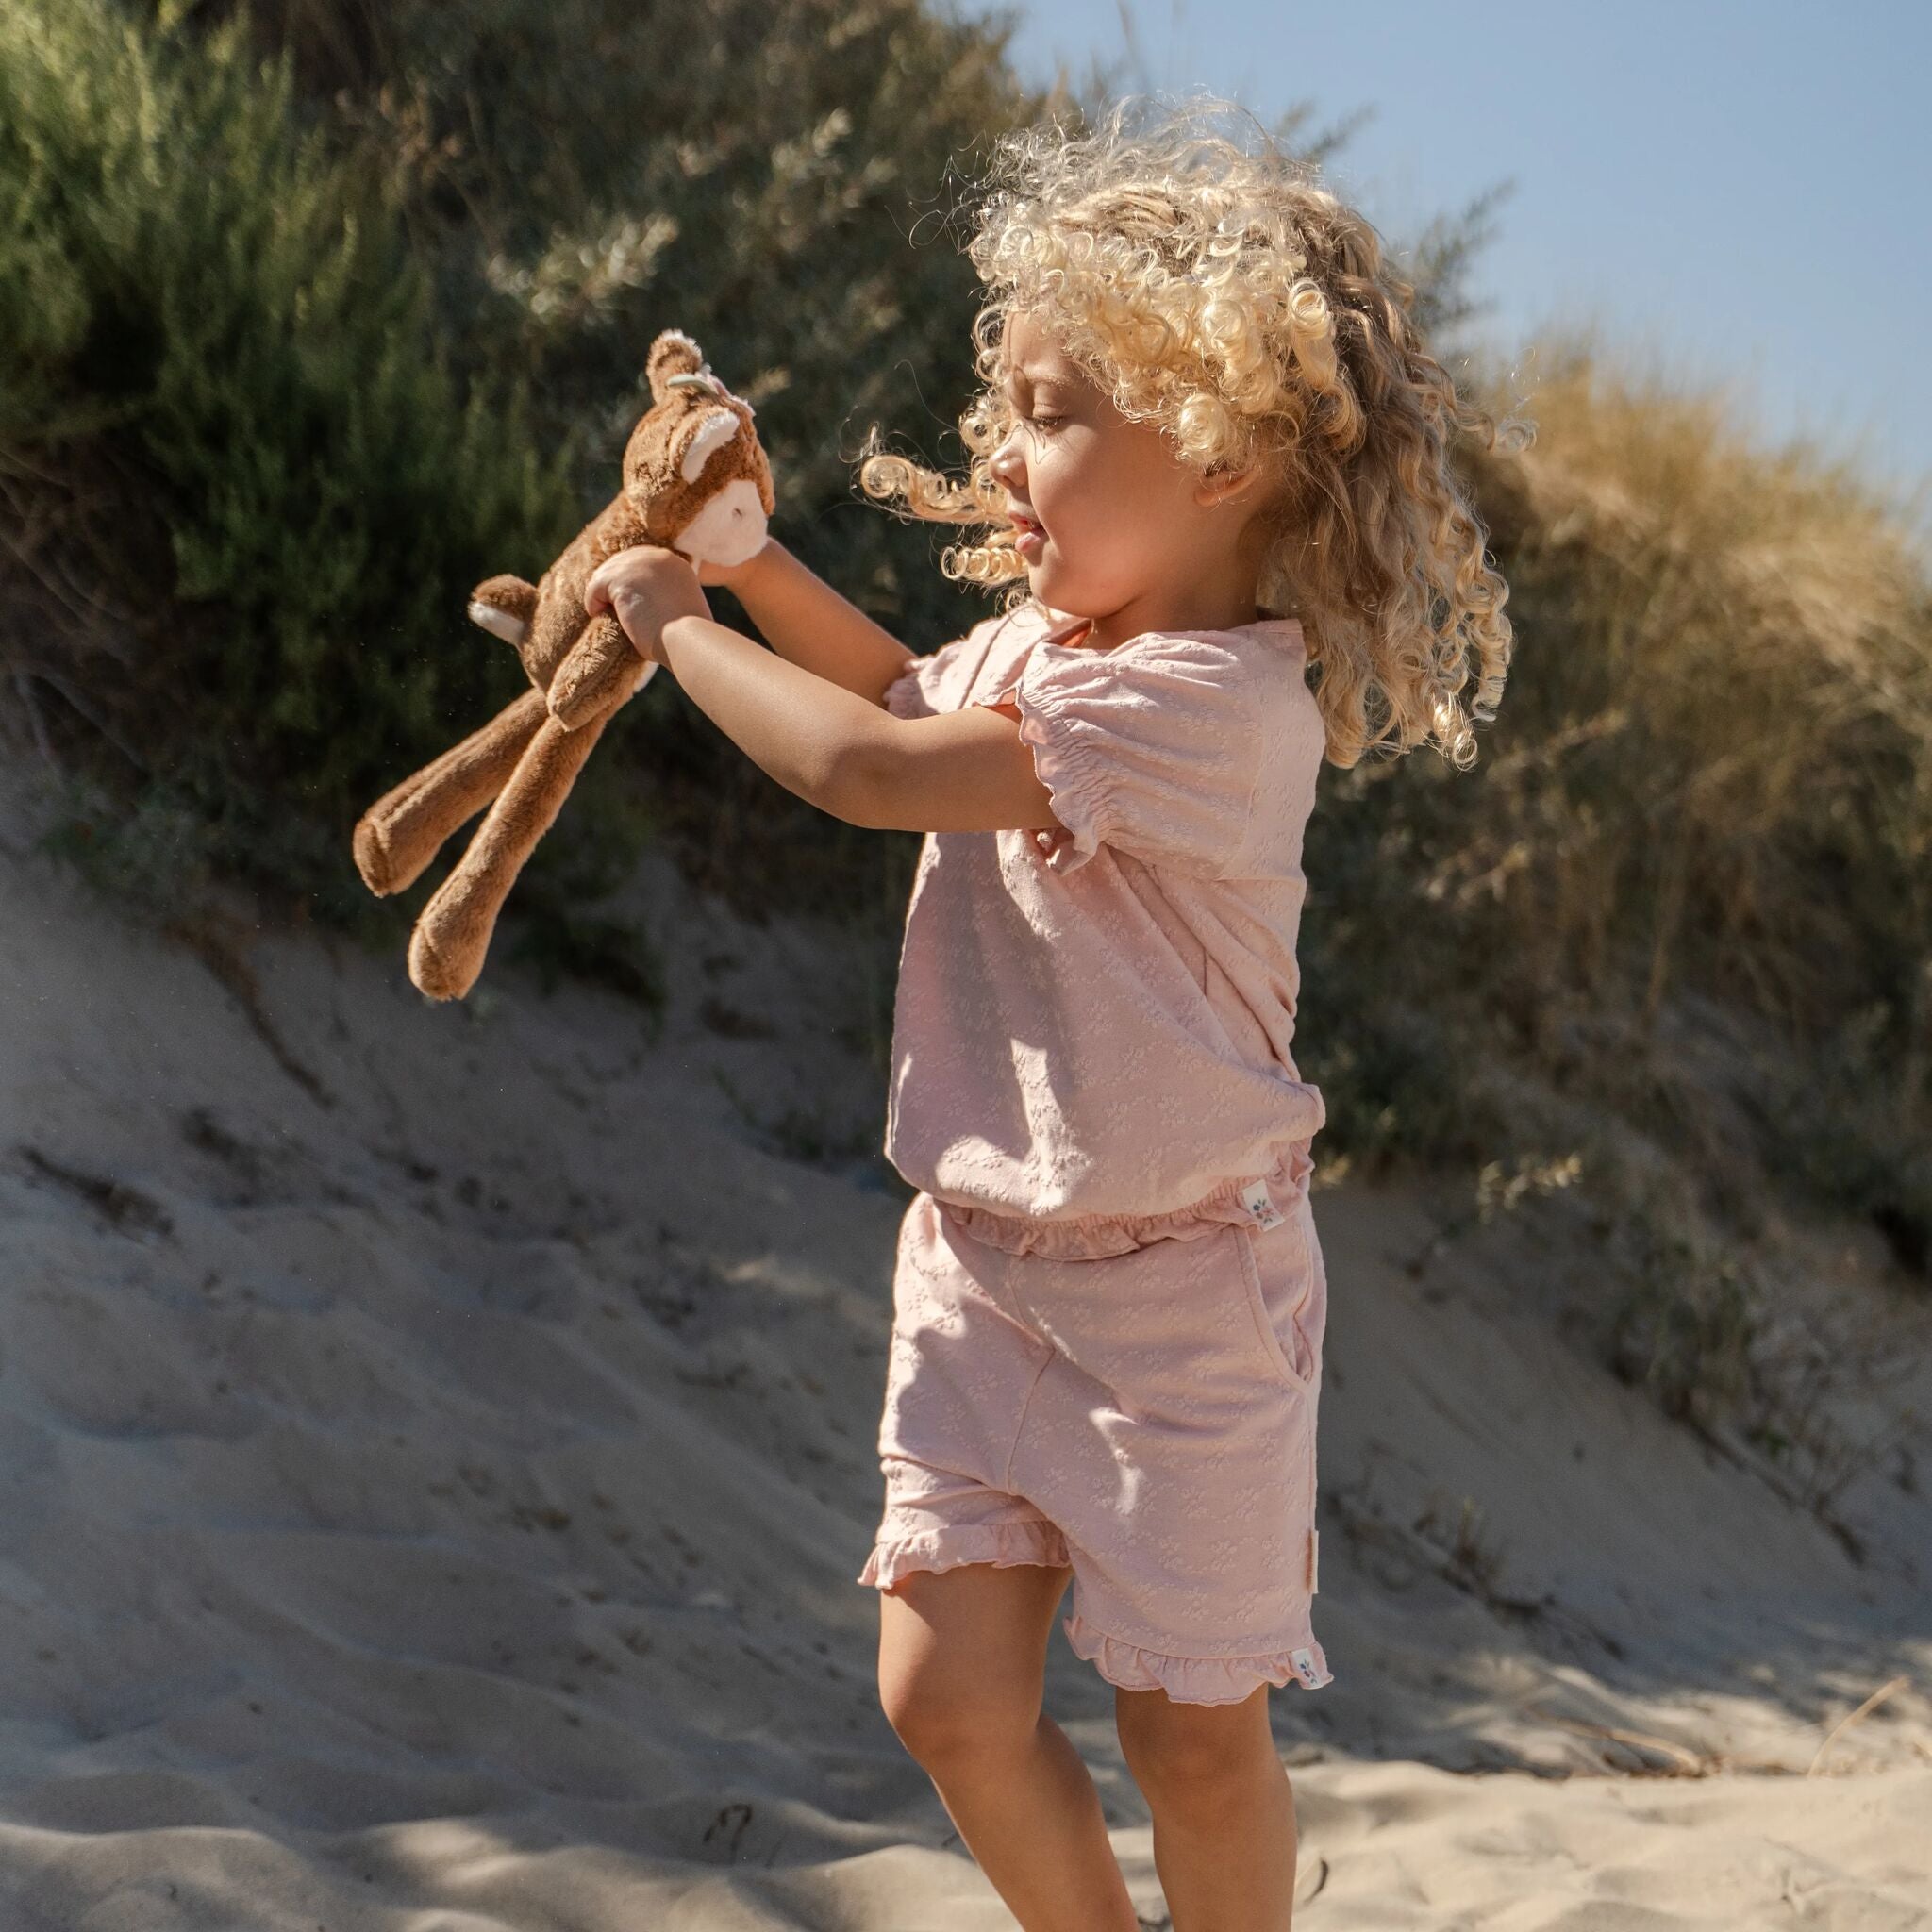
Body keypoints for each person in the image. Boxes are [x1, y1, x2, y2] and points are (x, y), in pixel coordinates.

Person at [586, 89, 1520, 1932]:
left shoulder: (1207, 706)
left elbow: (864, 770)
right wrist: (752, 563)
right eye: (1005, 406)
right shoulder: (1051, 648)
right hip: (982, 1262)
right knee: (940, 1697)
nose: (1003, 456)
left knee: (1192, 1739)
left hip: (1187, 1302)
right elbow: (898, 695)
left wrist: (673, 625)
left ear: (1222, 451)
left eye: (1051, 413)